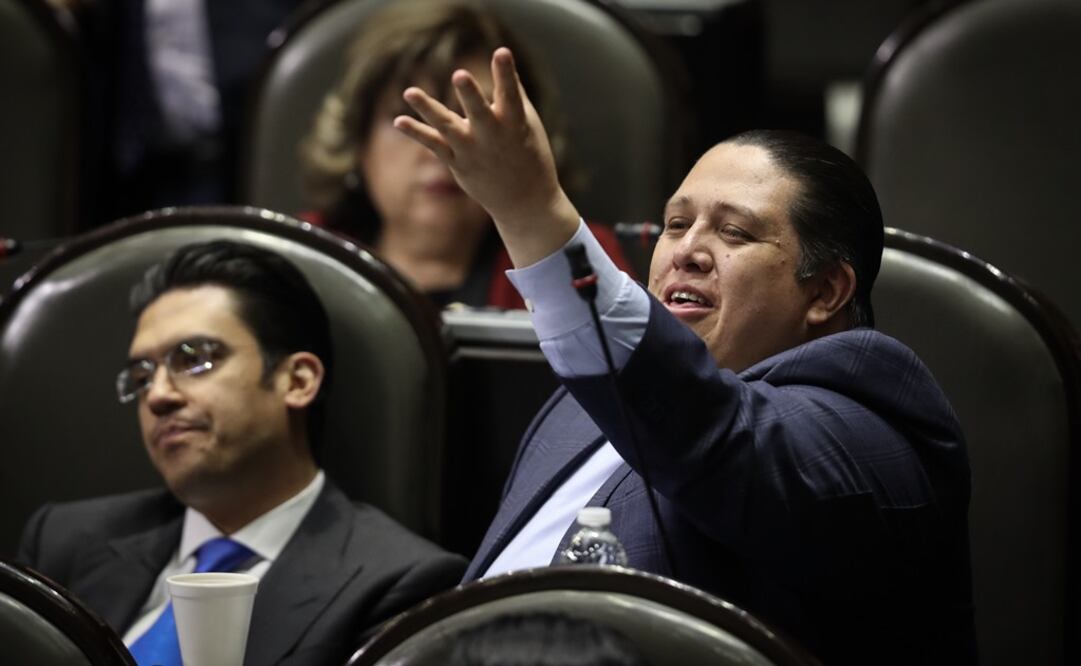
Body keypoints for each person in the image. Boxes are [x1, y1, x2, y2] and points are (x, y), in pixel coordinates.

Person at [392, 49, 977, 665]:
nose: (688, 251)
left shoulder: (872, 424)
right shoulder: (581, 405)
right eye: (676, 224)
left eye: (736, 233)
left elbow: (715, 436)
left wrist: (533, 215)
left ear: (826, 291)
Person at [16, 240, 466, 666]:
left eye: (195, 358)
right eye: (141, 375)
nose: (157, 396)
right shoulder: (65, 542)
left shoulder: (396, 583)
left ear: (298, 381)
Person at [299, 0, 633, 309]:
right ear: (358, 139)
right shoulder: (304, 255)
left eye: (474, 119)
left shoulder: (572, 256)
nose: (443, 147)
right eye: (414, 117)